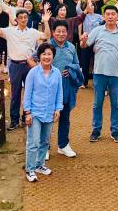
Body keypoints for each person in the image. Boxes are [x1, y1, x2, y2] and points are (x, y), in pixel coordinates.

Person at [80, 5, 118, 143]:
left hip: (116, 74)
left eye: (113, 14)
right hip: (99, 73)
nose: (110, 16)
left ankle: (115, 130)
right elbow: (84, 46)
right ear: (104, 16)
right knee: (97, 103)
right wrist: (82, 39)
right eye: (108, 14)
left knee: (116, 104)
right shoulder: (97, 30)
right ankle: (96, 130)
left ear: (117, 16)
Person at [33, 19, 82, 158]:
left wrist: (71, 70)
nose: (61, 34)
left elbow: (77, 64)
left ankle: (63, 145)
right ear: (53, 32)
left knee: (65, 117)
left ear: (68, 33)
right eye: (58, 31)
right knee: (47, 117)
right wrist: (40, 74)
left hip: (65, 86)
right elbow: (31, 59)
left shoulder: (71, 47)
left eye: (64, 31)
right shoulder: (46, 46)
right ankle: (45, 147)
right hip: (48, 87)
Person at [0, 6, 47, 131]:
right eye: (21, 17)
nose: (23, 19)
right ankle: (14, 120)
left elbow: (46, 35)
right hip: (15, 65)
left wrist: (45, 21)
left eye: (25, 17)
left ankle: (26, 116)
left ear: (28, 19)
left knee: (30, 92)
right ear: (16, 19)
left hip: (29, 65)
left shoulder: (32, 32)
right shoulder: (10, 31)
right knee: (15, 93)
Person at [23, 42, 63, 182]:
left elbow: (59, 92)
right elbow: (27, 93)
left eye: (49, 54)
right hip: (35, 113)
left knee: (45, 141)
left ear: (53, 56)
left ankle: (40, 165)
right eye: (44, 54)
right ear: (39, 56)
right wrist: (27, 112)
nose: (47, 57)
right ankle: (30, 169)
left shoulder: (56, 72)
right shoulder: (33, 72)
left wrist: (58, 108)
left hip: (50, 112)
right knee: (33, 142)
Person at [77, 0, 104, 87]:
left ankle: (97, 83)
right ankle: (84, 82)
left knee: (97, 62)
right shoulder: (83, 15)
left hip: (97, 42)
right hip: (86, 41)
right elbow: (77, 9)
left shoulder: (99, 16)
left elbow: (106, 22)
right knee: (85, 62)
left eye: (92, 4)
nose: (90, 6)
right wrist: (80, 35)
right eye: (89, 4)